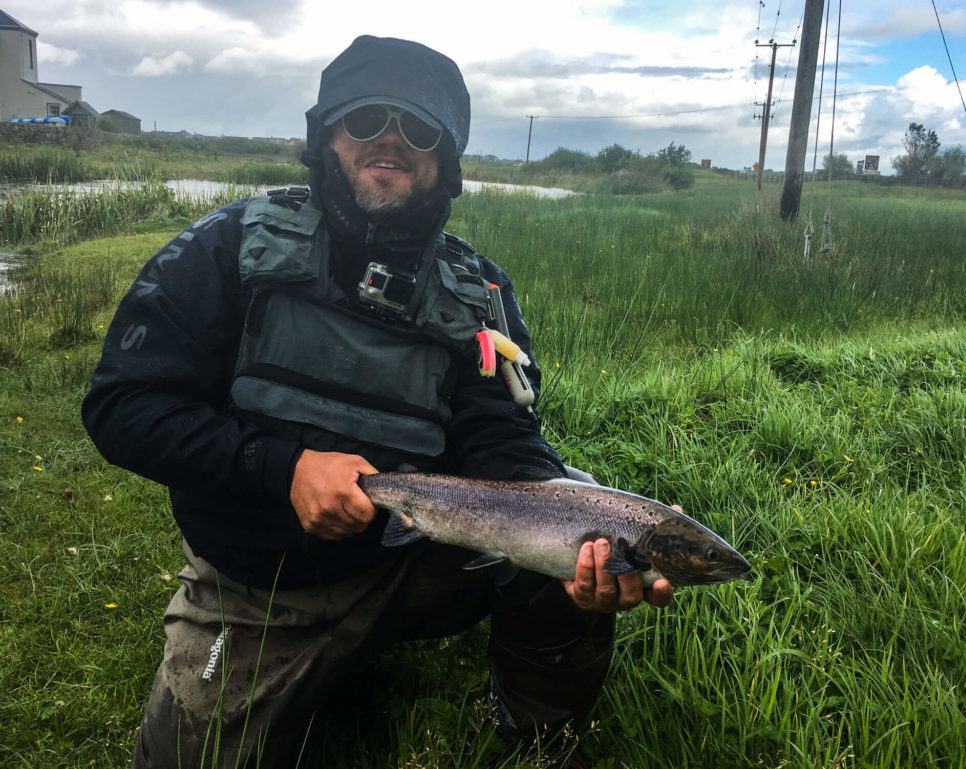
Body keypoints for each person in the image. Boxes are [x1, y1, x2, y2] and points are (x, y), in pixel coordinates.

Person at [82, 35, 671, 768]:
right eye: (365, 120)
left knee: (578, 513)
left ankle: (540, 728)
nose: (390, 139)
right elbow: (121, 405)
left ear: (445, 158)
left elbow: (504, 443)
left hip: (414, 562)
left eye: (419, 129)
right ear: (326, 133)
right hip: (257, 582)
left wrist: (574, 545)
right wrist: (283, 468)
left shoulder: (478, 293)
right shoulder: (229, 245)